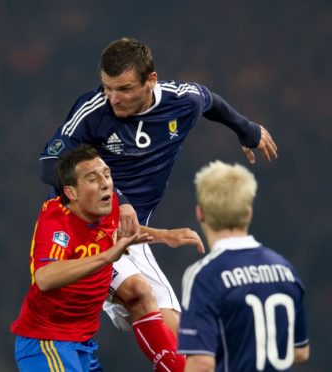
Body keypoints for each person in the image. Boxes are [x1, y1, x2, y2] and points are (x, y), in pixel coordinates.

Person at [39, 37, 278, 367]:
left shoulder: (181, 101)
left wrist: (246, 129)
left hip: (133, 236)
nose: (112, 98)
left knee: (178, 334)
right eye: (107, 88)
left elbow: (210, 101)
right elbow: (49, 167)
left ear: (151, 80)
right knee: (138, 292)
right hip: (84, 233)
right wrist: (116, 198)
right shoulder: (91, 111)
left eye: (123, 89)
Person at [11, 145, 187, 371]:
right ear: (71, 192)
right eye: (92, 179)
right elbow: (44, 278)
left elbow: (120, 229)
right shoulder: (57, 223)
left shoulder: (108, 204)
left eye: (107, 175)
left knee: (141, 293)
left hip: (82, 346)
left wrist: (165, 236)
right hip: (47, 343)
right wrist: (106, 257)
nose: (105, 183)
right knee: (138, 291)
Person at [178, 160, 310, 371]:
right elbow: (300, 351)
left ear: (200, 212)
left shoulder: (204, 276)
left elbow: (201, 363)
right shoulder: (286, 271)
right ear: (248, 212)